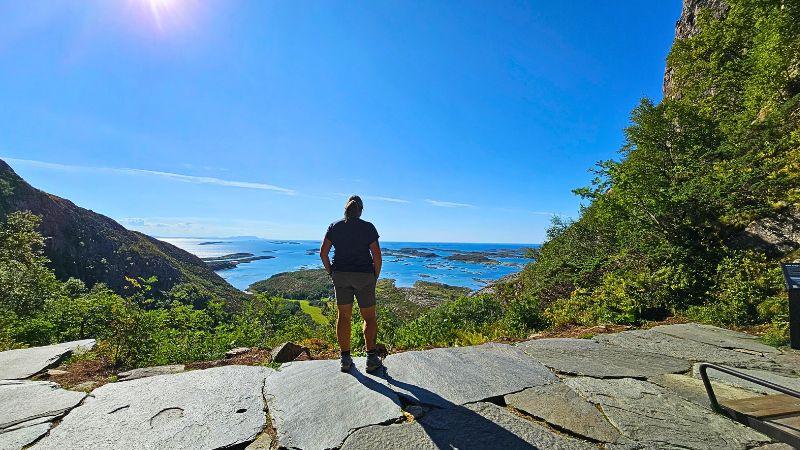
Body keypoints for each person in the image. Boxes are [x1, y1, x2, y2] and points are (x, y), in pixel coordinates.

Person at [320, 195, 383, 373]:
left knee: (344, 316)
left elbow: (323, 253)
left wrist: (332, 272)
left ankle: (345, 359)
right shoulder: (368, 227)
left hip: (341, 275)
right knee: (369, 317)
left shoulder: (335, 226)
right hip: (364, 277)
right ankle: (371, 358)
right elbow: (377, 257)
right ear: (361, 210)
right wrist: (375, 276)